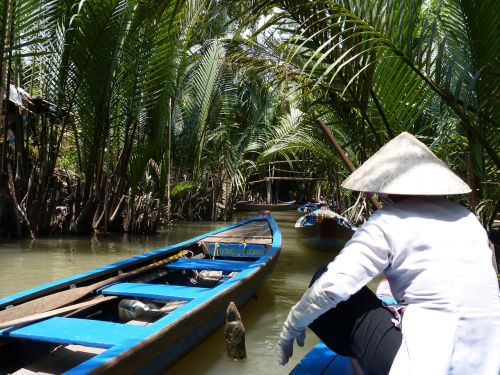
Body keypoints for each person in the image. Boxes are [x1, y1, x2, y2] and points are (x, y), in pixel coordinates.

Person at [278, 132, 500, 374]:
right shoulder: (468, 219)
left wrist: (292, 325)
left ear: (386, 189)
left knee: (323, 275)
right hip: (486, 363)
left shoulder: (387, 221)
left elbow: (330, 287)